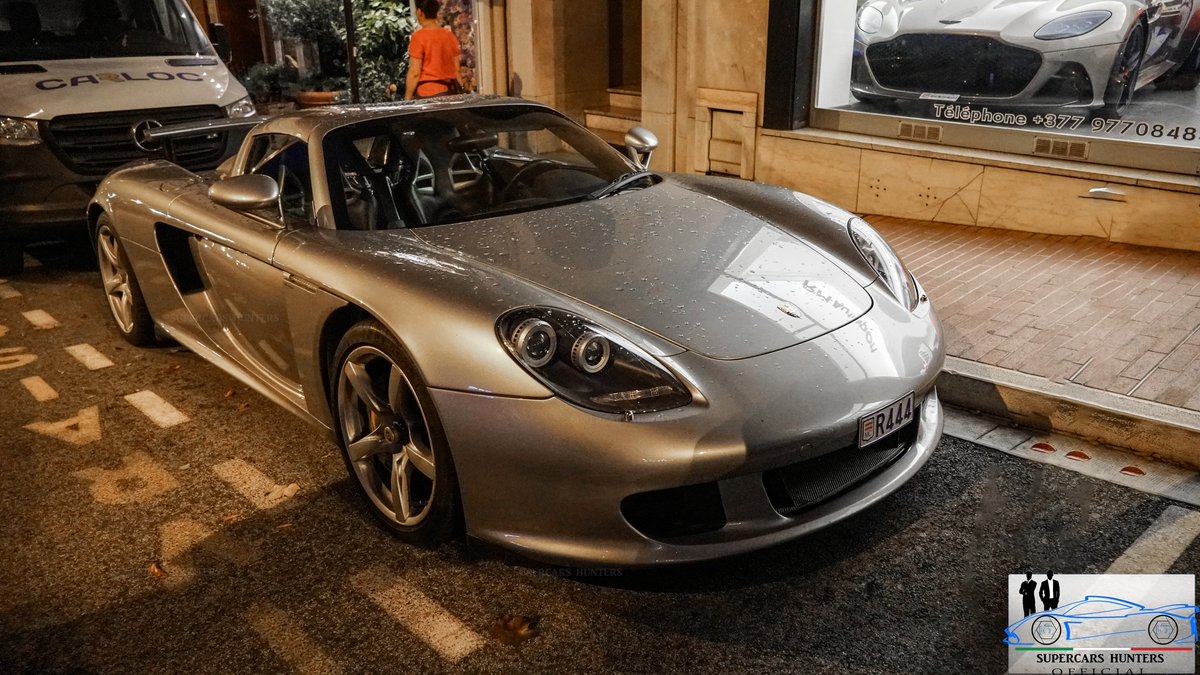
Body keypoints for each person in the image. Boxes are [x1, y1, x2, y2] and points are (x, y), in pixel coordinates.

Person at [405, 0, 462, 100]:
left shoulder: (418, 37)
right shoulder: (449, 36)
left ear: (419, 12)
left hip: (426, 92)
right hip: (449, 93)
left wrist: (408, 97)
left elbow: (415, 72)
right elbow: (456, 70)